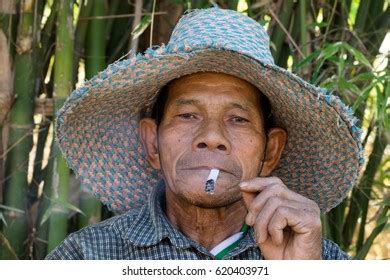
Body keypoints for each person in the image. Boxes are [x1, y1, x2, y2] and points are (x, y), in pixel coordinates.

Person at [46, 7, 363, 260]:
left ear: (270, 151)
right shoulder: (88, 257)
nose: (212, 137)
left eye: (238, 119)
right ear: (152, 144)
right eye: (187, 115)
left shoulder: (319, 260)